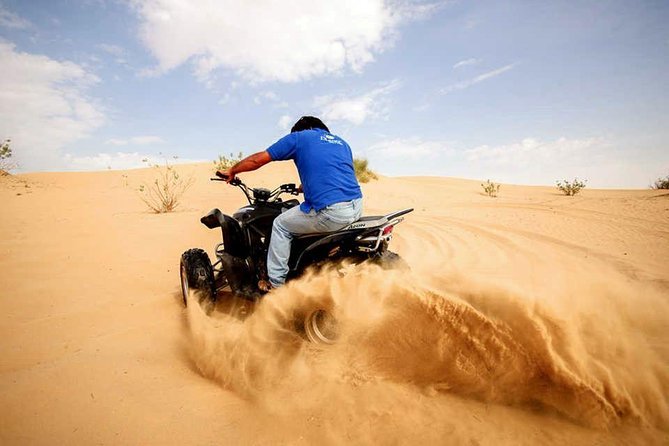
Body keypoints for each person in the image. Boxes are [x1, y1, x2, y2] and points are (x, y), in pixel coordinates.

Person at [217, 116, 363, 290]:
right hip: (356, 207)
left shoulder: (300, 137)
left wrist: (232, 170)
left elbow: (258, 160)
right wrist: (302, 188)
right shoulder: (342, 143)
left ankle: (275, 284)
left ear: (303, 129)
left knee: (280, 225)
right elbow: (332, 174)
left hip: (331, 211)